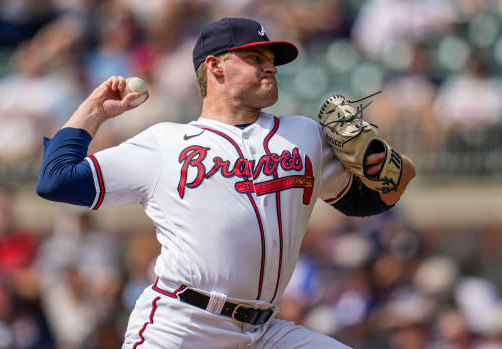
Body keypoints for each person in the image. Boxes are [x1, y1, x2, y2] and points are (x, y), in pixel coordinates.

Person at [37, 17, 415, 349]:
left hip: (265, 332)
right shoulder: (164, 144)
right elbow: (56, 181)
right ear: (215, 66)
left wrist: (382, 160)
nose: (271, 68)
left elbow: (372, 200)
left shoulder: (305, 135)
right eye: (256, 59)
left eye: (272, 61)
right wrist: (93, 110)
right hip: (183, 325)